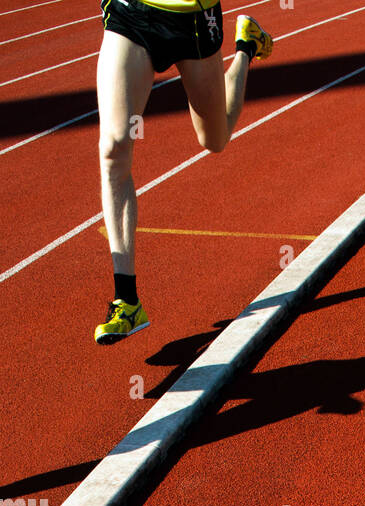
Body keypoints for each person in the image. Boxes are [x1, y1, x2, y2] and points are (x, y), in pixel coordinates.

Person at [94, 2, 273, 344]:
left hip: (192, 21)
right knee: (115, 145)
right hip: (132, 14)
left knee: (215, 139)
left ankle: (246, 48)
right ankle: (127, 300)